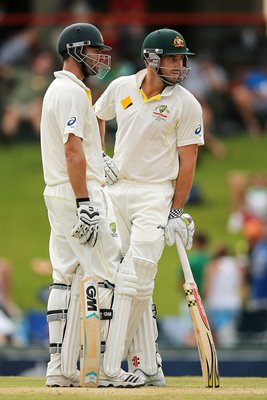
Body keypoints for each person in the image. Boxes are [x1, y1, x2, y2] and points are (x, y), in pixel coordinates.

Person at [95, 27, 204, 385]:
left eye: (180, 59)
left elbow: (188, 162)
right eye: (171, 59)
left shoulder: (186, 103)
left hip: (155, 194)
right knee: (125, 281)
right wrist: (100, 155)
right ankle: (149, 365)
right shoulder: (122, 87)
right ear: (150, 59)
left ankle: (111, 367)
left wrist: (175, 210)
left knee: (137, 273)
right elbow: (98, 115)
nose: (178, 65)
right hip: (117, 191)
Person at [40, 22, 144, 388]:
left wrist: (100, 158)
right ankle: (103, 368)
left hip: (57, 191)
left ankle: (61, 368)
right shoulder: (71, 92)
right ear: (74, 52)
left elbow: (80, 149)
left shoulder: (60, 90)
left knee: (65, 273)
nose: (101, 57)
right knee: (107, 274)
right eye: (95, 50)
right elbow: (71, 150)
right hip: (77, 193)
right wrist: (85, 200)